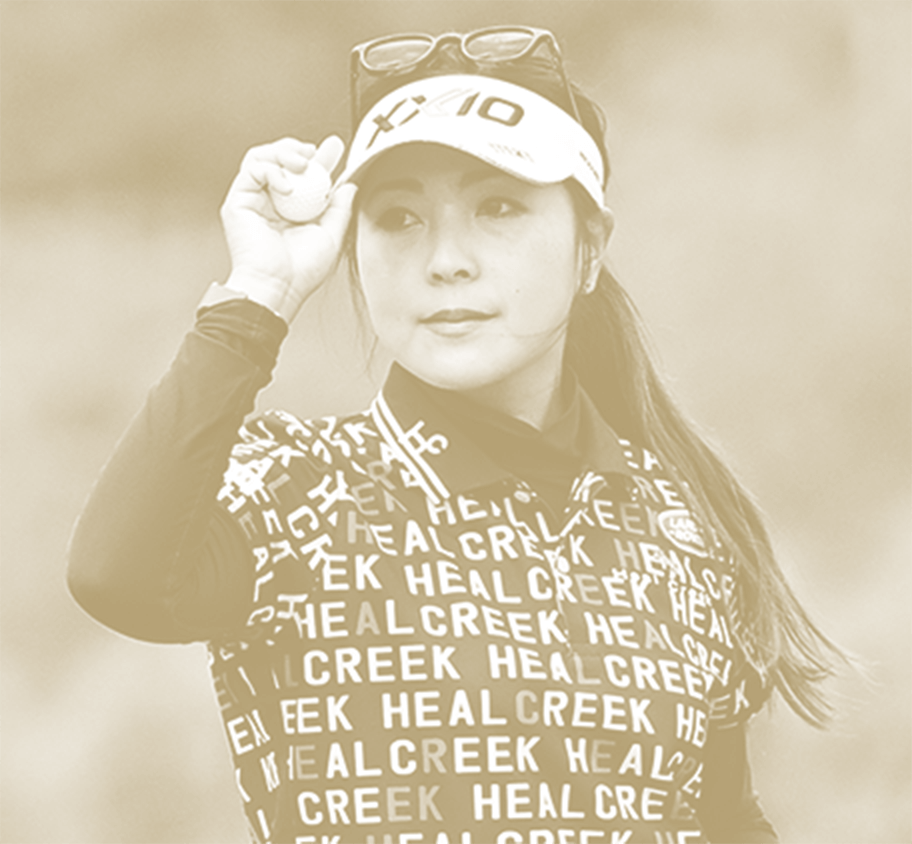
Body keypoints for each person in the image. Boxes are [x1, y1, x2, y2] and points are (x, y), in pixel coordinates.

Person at [67, 26, 843, 844]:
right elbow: (117, 577)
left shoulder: (682, 525)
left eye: (498, 207)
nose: (445, 260)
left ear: (589, 249)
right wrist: (258, 294)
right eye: (399, 218)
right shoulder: (297, 489)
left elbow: (723, 817)